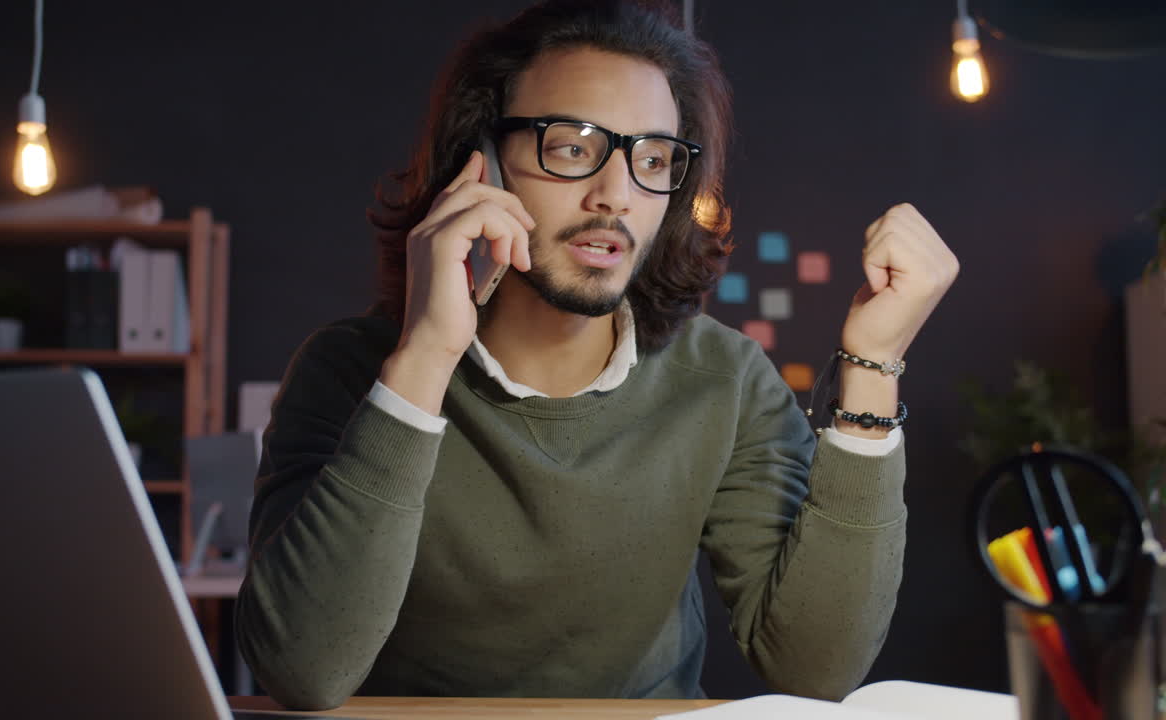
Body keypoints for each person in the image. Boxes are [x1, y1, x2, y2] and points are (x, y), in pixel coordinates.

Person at [235, 0, 959, 710]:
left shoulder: (725, 381)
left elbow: (815, 667)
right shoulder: (349, 369)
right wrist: (426, 355)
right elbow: (303, 670)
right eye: (572, 146)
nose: (616, 194)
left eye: (652, 158)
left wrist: (874, 363)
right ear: (480, 162)